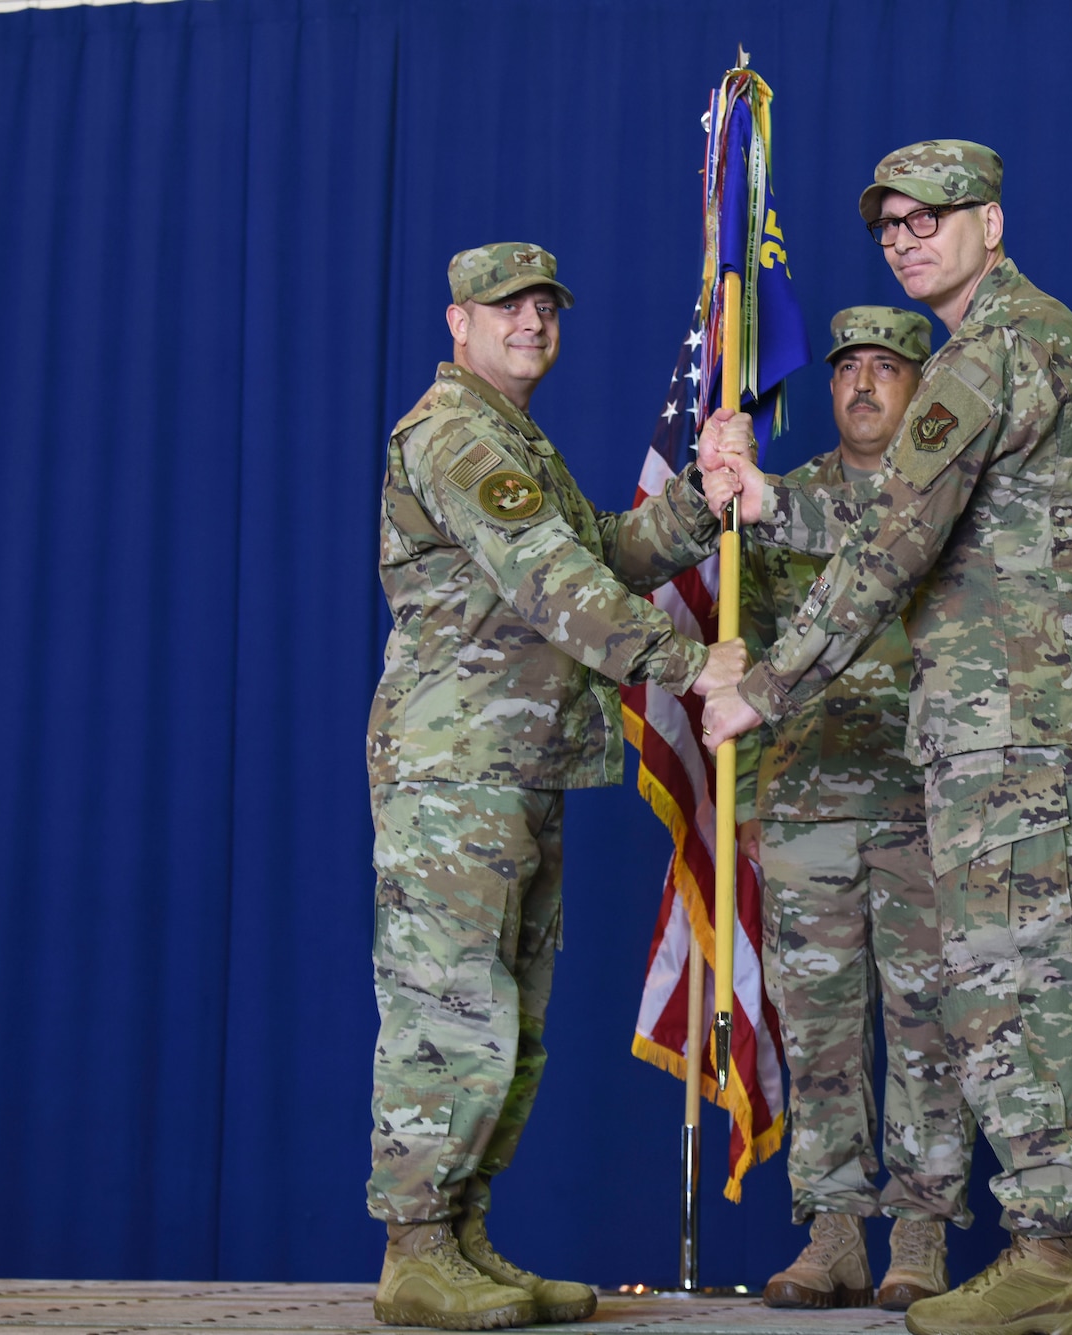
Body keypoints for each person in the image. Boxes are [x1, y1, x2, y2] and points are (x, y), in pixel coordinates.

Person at [700, 142, 1072, 1335]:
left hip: (1008, 724)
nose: (905, 238)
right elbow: (892, 502)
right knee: (1060, 980)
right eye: (890, 225)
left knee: (1008, 987)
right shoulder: (1032, 336)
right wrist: (763, 501)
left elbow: (894, 535)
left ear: (989, 223)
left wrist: (767, 683)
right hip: (1055, 715)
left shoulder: (989, 350)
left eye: (930, 219)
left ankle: (1049, 1254)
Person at [366, 243, 750, 1330]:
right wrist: (687, 664)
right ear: (458, 322)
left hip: (514, 766)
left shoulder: (508, 435)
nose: (530, 323)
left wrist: (697, 505)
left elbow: (600, 549)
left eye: (543, 307)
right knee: (449, 1011)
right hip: (456, 772)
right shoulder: (451, 435)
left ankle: (464, 1237)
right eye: (506, 308)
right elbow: (551, 583)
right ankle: (415, 1250)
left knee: (510, 1018)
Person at [741, 307, 974, 1312]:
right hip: (804, 803)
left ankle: (918, 1237)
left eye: (886, 367)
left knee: (931, 1029)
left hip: (925, 801)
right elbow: (742, 650)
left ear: (922, 389)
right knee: (817, 1036)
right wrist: (750, 793)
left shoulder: (950, 498)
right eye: (847, 370)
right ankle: (831, 1234)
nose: (862, 385)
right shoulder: (773, 503)